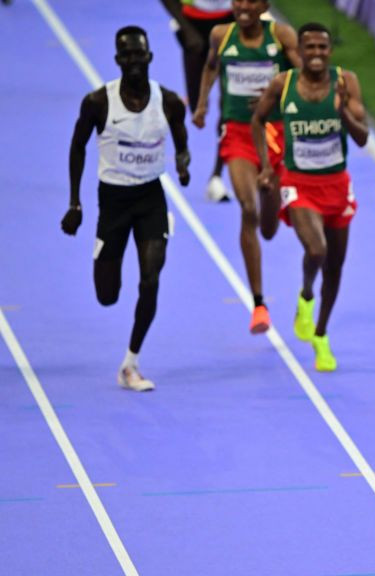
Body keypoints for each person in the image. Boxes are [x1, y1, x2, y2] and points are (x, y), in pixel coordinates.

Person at [62, 26, 190, 392]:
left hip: (150, 197)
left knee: (151, 277)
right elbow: (77, 148)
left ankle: (130, 362)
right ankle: (106, 265)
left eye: (140, 54)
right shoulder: (98, 102)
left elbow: (181, 139)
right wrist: (75, 203)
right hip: (113, 201)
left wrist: (182, 165)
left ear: (150, 57)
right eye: (127, 55)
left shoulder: (167, 102)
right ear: (118, 60)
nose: (134, 60)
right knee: (107, 295)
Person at [252, 22, 367, 371]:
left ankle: (320, 334)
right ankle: (305, 295)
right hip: (299, 183)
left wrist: (343, 111)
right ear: (298, 51)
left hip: (337, 185)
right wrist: (266, 167)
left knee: (335, 266)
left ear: (330, 51)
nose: (316, 54)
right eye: (309, 48)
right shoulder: (282, 84)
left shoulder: (346, 82)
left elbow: (362, 137)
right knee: (317, 249)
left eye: (322, 47)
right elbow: (257, 121)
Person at [192, 0, 300, 334]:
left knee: (268, 227)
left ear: (264, 5)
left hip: (275, 133)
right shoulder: (221, 35)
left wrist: (273, 96)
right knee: (248, 208)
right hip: (237, 132)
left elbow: (305, 76)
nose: (243, 6)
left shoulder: (280, 35)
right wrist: (202, 104)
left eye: (252, 1)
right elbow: (211, 67)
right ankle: (258, 305)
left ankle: (273, 203)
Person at [160, 0, 233, 202]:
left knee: (230, 106)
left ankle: (217, 177)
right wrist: (185, 27)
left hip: (230, 19)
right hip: (193, 21)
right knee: (196, 107)